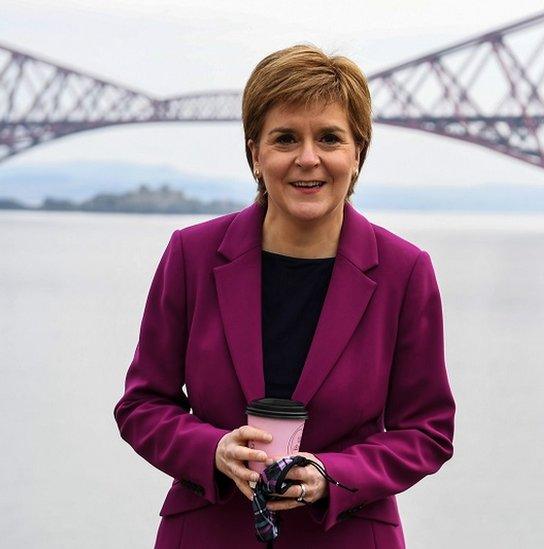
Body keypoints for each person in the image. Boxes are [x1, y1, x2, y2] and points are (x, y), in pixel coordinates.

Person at [114, 44, 456, 548]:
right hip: (208, 533)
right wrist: (213, 451)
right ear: (256, 152)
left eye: (330, 138)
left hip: (347, 536)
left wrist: (332, 475)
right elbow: (141, 404)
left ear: (357, 153)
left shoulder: (406, 272)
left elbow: (427, 430)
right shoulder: (191, 254)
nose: (308, 158)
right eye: (286, 138)